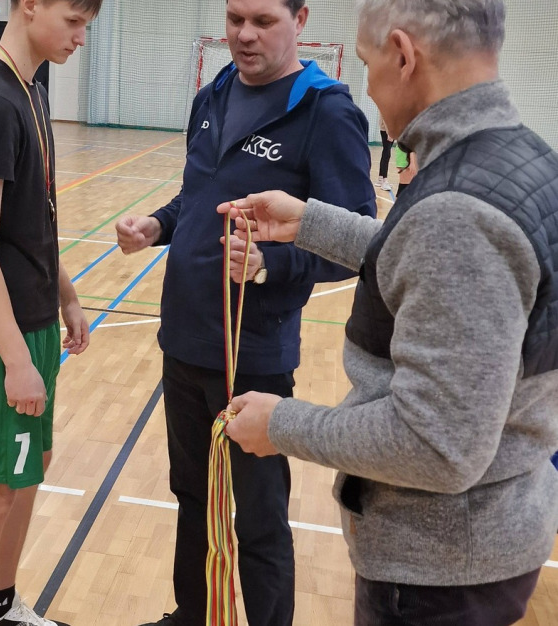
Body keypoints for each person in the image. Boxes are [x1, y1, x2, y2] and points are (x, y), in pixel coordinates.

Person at [219, 1, 558, 624]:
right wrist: (312, 222)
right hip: (480, 547)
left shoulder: (458, 212)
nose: (370, 88)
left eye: (368, 63)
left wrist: (283, 425)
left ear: (402, 55)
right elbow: (433, 266)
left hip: (438, 575)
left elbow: (435, 445)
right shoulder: (518, 158)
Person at [116, 0, 376, 624]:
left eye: (263, 21)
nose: (244, 34)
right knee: (192, 496)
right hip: (183, 338)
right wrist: (158, 224)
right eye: (236, 18)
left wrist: (270, 264)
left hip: (252, 354)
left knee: (258, 519)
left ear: (300, 20)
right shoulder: (214, 93)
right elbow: (198, 194)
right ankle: (192, 614)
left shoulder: (327, 112)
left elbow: (357, 245)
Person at [0, 1, 99, 624]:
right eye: (73, 21)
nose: (80, 37)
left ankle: (1, 607)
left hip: (33, 322)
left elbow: (33, 222)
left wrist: (66, 295)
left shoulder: (30, 89)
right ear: (30, 5)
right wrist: (14, 360)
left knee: (28, 470)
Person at [376, 112, 393, 190]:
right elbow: (386, 116)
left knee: (385, 153)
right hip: (386, 130)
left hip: (388, 130)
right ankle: (384, 181)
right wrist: (389, 131)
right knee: (387, 154)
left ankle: (380, 178)